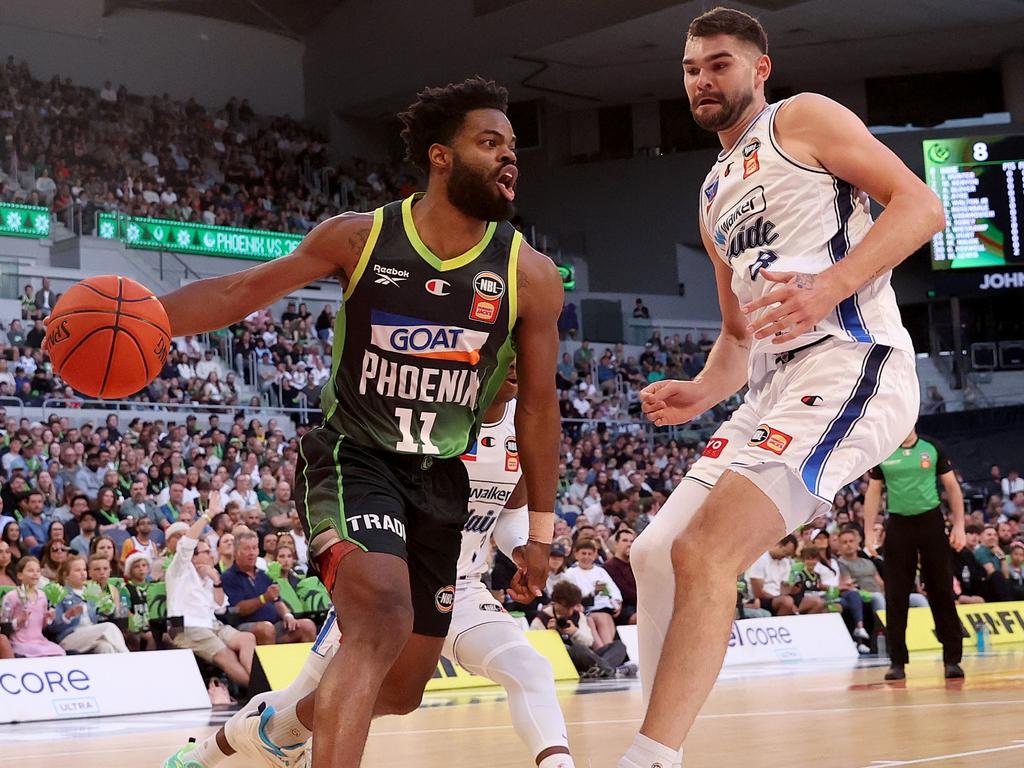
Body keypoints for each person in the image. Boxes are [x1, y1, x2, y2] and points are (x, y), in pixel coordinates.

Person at [157, 77, 560, 768]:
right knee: (379, 617)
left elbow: (541, 406)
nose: (508, 158)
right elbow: (235, 292)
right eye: (489, 143)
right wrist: (142, 316)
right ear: (440, 156)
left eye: (512, 147)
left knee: (400, 688)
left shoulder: (530, 273)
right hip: (354, 457)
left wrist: (543, 534)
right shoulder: (361, 237)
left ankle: (272, 732)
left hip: (441, 478)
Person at [623, 8, 943, 768]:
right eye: (692, 68)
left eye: (720, 64)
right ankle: (652, 744)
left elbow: (921, 206)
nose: (703, 79)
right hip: (771, 388)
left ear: (759, 69)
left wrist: (830, 285)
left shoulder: (800, 120)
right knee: (654, 550)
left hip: (851, 360)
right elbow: (737, 337)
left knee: (705, 552)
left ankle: (647, 757)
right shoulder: (710, 196)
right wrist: (701, 392)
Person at [169, 368, 576, 768]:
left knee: (530, 668)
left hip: (462, 588)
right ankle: (201, 756)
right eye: (508, 353)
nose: (517, 365)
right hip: (394, 585)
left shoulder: (521, 430)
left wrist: (520, 548)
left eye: (525, 356)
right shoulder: (433, 419)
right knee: (298, 698)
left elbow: (511, 512)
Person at [864, 427, 965, 680]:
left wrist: (959, 525)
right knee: (896, 593)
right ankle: (897, 662)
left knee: (941, 589)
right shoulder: (884, 450)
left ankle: (952, 660)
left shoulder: (932, 447)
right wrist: (868, 532)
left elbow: (952, 486)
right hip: (899, 525)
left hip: (931, 522)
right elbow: (873, 492)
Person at [166, 492, 257, 687]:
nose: (210, 554)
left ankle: (260, 688)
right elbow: (186, 544)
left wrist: (216, 580)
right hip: (187, 628)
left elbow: (220, 607)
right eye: (206, 552)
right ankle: (257, 694)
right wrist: (208, 515)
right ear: (193, 556)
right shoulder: (179, 569)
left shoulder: (210, 575)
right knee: (228, 656)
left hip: (212, 624)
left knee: (247, 639)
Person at [220, 530, 317, 645]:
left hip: (275, 624)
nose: (252, 553)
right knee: (266, 629)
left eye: (254, 548)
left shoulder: (263, 575)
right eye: (246, 549)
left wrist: (287, 615)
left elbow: (277, 600)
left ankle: (304, 663)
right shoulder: (228, 577)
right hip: (245, 627)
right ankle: (269, 663)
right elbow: (238, 609)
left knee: (307, 625)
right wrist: (264, 598)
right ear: (236, 552)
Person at [51, 555, 130, 654]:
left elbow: (103, 613)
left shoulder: (91, 592)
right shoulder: (59, 594)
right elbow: (52, 627)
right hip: (70, 636)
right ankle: (128, 657)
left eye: (84, 569)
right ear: (66, 575)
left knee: (105, 647)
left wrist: (107, 609)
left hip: (91, 633)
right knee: (109, 627)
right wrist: (67, 616)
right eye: (77, 570)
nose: (83, 573)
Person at [2, 556, 65, 656]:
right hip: (20, 642)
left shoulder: (42, 596)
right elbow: (3, 626)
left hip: (40, 641)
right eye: (31, 570)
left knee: (60, 652)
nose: (35, 574)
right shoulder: (12, 596)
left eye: (38, 571)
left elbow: (41, 626)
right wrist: (19, 621)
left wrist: (48, 618)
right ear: (20, 575)